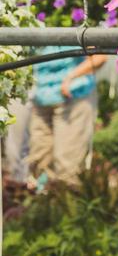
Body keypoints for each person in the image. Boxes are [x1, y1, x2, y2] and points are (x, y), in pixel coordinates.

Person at [27, 48, 107, 186]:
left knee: (67, 166)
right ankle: (43, 201)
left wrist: (71, 76)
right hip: (42, 98)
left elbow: (100, 56)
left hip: (73, 97)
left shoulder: (82, 26)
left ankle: (65, 202)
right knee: (38, 161)